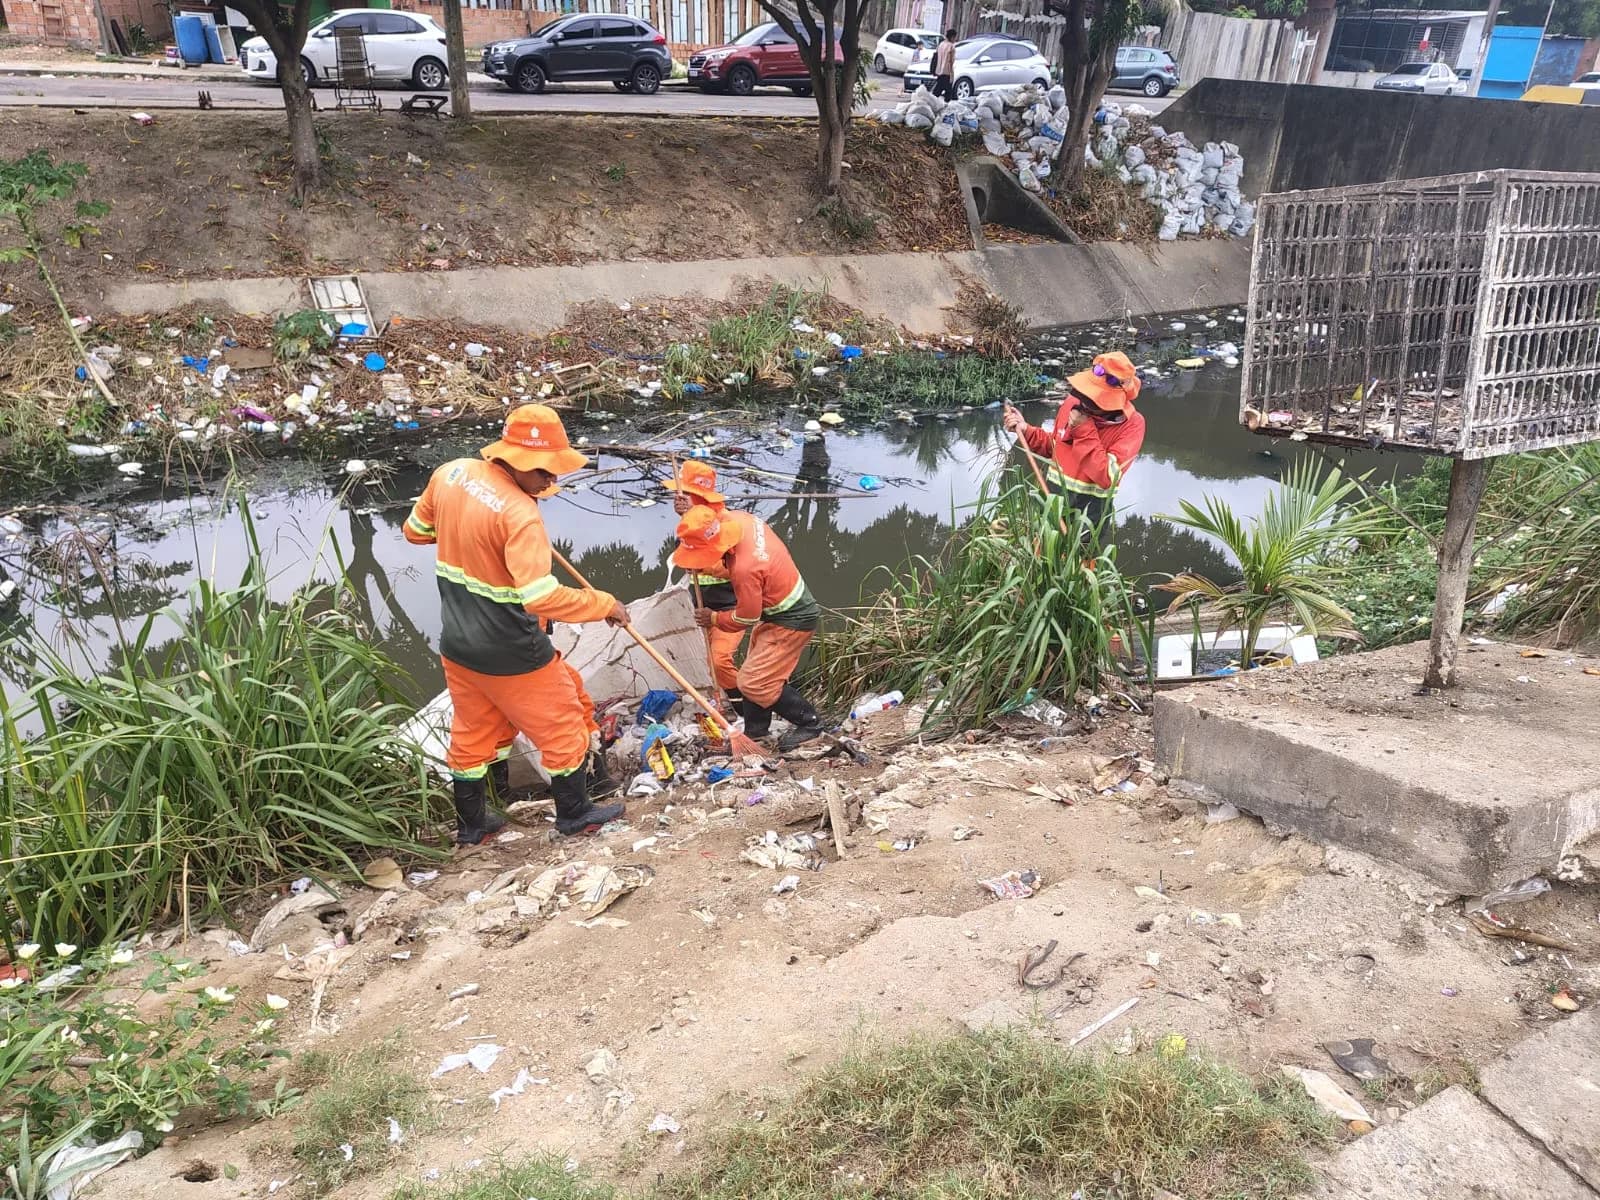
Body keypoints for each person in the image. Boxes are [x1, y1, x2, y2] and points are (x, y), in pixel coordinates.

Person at [404, 404, 629, 844]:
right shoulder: (519, 514)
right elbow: (540, 597)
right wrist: (603, 603)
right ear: (517, 461)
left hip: (459, 645)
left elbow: (415, 531)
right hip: (512, 651)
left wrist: (463, 532)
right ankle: (575, 814)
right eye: (545, 471)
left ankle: (473, 824)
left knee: (472, 734)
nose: (552, 481)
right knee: (564, 725)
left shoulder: (451, 473)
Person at [672, 506, 826, 751]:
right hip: (782, 603)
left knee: (755, 682)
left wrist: (713, 618)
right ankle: (757, 731)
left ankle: (811, 724)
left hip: (791, 617)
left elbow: (746, 617)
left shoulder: (745, 568)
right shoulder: (738, 519)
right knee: (751, 672)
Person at [1001, 350, 1146, 531]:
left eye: (1095, 400)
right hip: (1050, 508)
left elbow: (1108, 476)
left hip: (1086, 521)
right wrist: (1026, 430)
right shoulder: (1072, 404)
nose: (1086, 403)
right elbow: (1055, 446)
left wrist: (1083, 429)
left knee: (1077, 560)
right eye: (1085, 395)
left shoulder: (1132, 425)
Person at [665, 460, 751, 713]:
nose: (680, 498)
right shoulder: (694, 519)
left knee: (719, 660)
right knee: (708, 662)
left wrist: (700, 564)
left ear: (699, 495)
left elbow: (734, 566)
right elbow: (690, 550)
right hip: (702, 606)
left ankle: (747, 710)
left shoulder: (725, 522)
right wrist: (685, 518)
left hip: (730, 608)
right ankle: (721, 699)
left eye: (686, 494)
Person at [932, 27, 956, 99]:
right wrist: (952, 73)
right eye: (954, 37)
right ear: (952, 37)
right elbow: (951, 61)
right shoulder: (951, 47)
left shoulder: (941, 44)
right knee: (948, 91)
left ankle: (933, 101)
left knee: (938, 89)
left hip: (939, 70)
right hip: (947, 72)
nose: (955, 40)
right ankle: (945, 104)